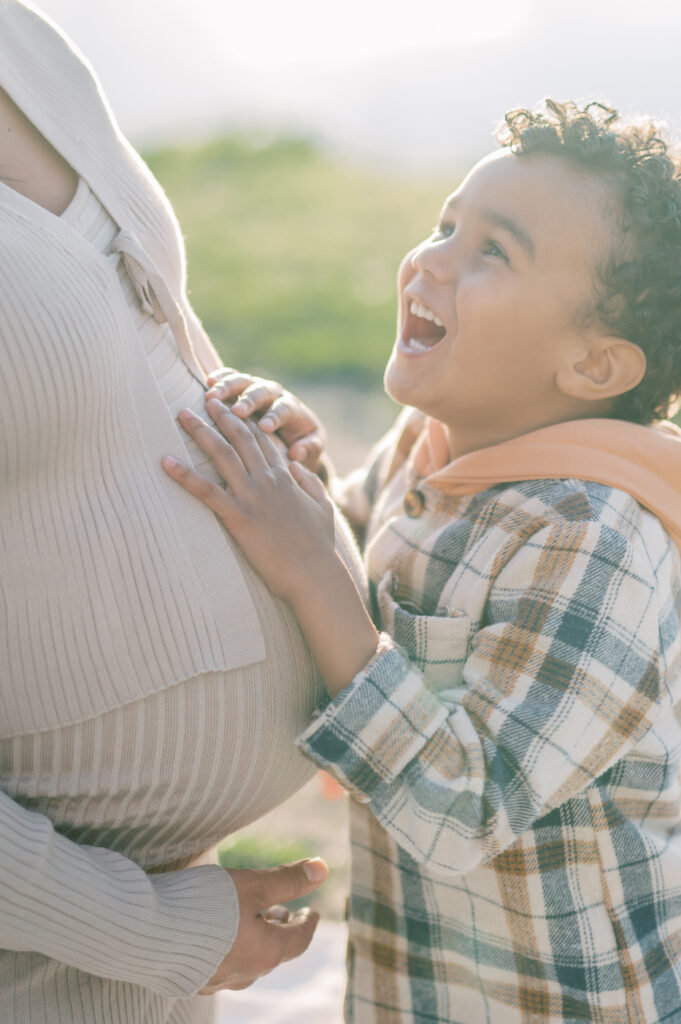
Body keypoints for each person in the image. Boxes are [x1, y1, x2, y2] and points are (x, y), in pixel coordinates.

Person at [164, 100, 681, 1023]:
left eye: (494, 251)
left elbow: (461, 808)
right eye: (446, 224)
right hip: (418, 984)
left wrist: (309, 569)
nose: (430, 258)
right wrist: (302, 478)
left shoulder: (596, 539)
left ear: (594, 368)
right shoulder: (430, 440)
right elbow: (356, 561)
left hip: (575, 1002)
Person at [0, 2, 366, 1022]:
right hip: (47, 952)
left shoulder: (23, 43)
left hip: (144, 944)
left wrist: (256, 437)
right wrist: (150, 930)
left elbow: (124, 343)